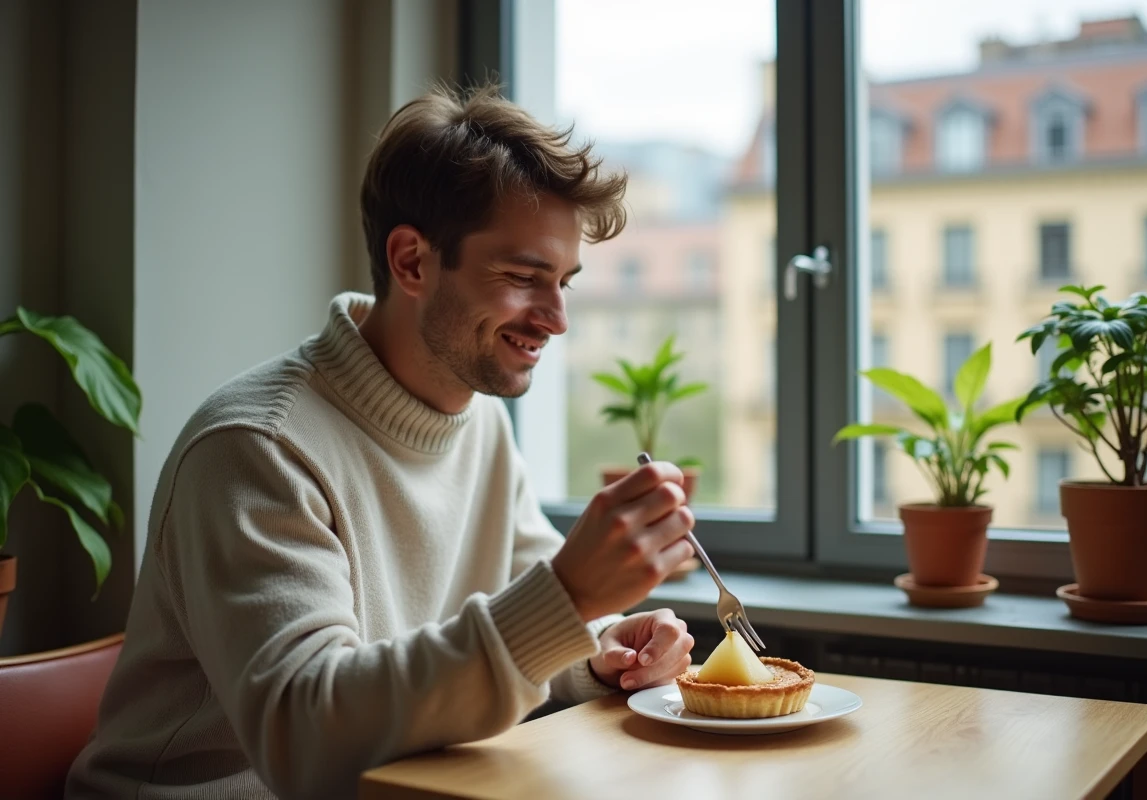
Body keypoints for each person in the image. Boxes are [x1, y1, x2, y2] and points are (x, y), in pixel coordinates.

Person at [65, 84, 697, 800]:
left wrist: (600, 645)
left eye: (564, 283)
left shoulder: (480, 423)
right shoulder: (257, 447)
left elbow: (518, 612)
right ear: (412, 262)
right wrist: (569, 596)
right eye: (524, 277)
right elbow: (305, 734)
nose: (556, 319)